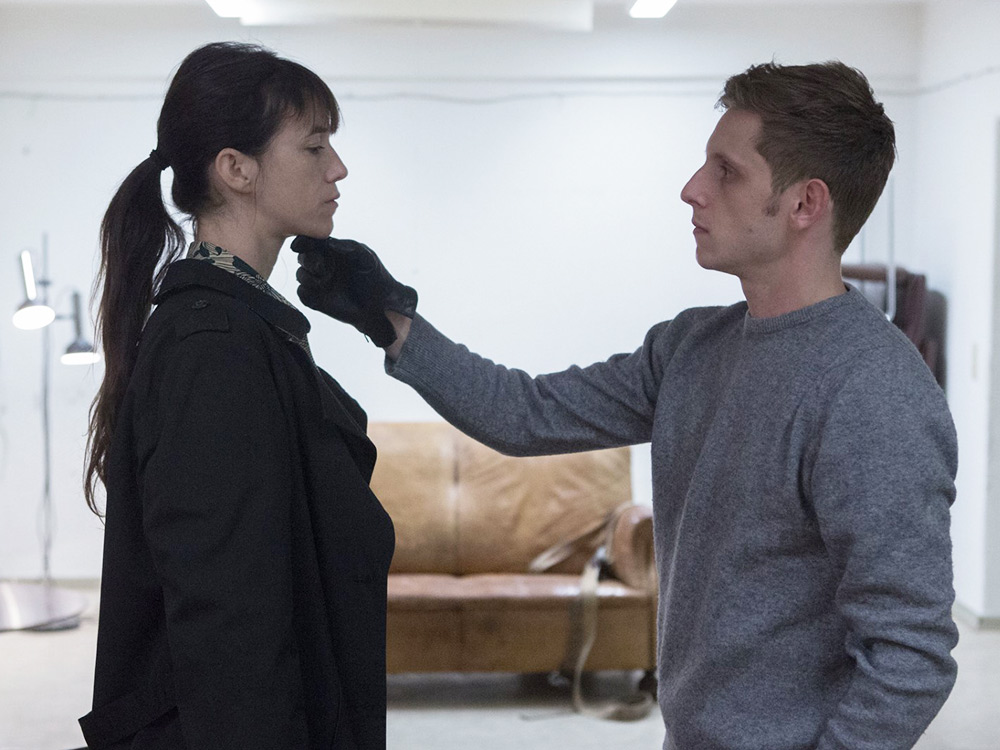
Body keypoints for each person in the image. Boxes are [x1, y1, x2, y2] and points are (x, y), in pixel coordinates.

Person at [293, 61, 959, 749]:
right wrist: (390, 321)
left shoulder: (872, 390)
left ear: (804, 205)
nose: (691, 189)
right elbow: (525, 413)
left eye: (725, 171)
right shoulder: (692, 347)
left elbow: (910, 656)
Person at [80, 42, 403, 750]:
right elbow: (229, 625)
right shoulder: (213, 347)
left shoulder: (239, 323)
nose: (338, 168)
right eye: (315, 147)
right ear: (236, 170)